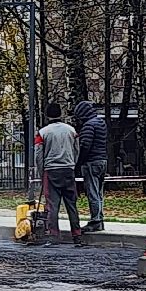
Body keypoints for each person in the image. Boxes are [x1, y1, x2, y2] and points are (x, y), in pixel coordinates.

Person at [36, 103, 83, 245]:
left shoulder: (43, 133)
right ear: (60, 114)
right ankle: (77, 235)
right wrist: (72, 164)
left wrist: (41, 171)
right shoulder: (71, 131)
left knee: (52, 205)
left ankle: (53, 236)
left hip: (51, 171)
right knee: (71, 204)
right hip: (68, 170)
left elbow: (38, 155)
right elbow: (77, 150)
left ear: (47, 115)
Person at [74, 100, 107, 232]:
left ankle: (95, 221)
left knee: (92, 192)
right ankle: (100, 218)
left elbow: (85, 146)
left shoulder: (88, 126)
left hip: (91, 162)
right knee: (99, 193)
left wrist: (78, 162)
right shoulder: (101, 123)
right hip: (102, 161)